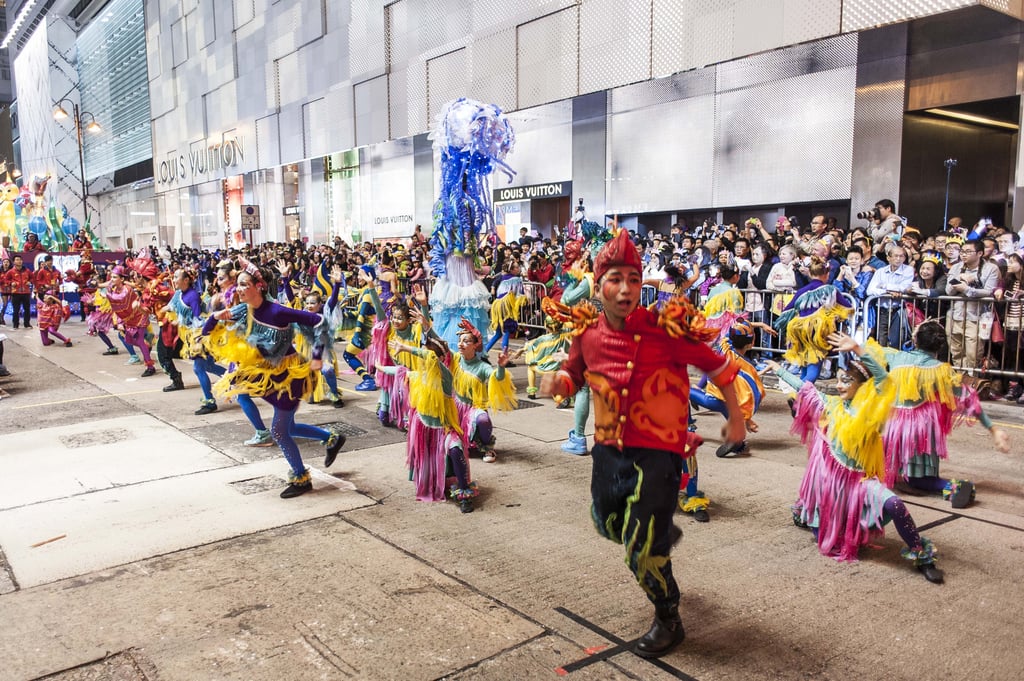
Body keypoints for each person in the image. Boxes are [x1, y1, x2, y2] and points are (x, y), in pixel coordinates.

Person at [542, 230, 745, 659]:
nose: (626, 289)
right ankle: (657, 532)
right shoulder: (588, 333)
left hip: (658, 454)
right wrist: (556, 382)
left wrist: (737, 420)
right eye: (615, 279)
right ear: (598, 286)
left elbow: (720, 367)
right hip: (608, 451)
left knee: (640, 550)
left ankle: (668, 615)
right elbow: (573, 376)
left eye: (634, 279)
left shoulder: (663, 329)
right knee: (605, 522)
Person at [769, 333, 944, 584]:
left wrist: (858, 349)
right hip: (830, 481)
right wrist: (778, 369)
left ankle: (923, 557)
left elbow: (884, 380)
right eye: (839, 380)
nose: (839, 385)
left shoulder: (873, 408)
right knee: (828, 541)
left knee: (895, 505)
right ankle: (807, 514)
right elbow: (804, 387)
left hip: (859, 482)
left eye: (846, 381)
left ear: (861, 386)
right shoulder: (832, 404)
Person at [203, 262, 346, 498]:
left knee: (279, 431)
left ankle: (301, 479)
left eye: (244, 285)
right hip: (268, 376)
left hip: (290, 377)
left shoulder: (277, 311)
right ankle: (331, 438)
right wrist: (216, 316)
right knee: (288, 427)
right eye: (237, 284)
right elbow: (208, 332)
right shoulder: (243, 310)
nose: (238, 289)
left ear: (259, 286)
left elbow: (320, 322)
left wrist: (318, 356)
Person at [881, 320, 1009, 507]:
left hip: (897, 430)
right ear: (940, 346)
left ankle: (946, 485)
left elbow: (871, 352)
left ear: (915, 340)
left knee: (902, 478)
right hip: (921, 430)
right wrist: (993, 429)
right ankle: (950, 486)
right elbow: (969, 399)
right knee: (916, 479)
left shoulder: (896, 358)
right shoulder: (942, 372)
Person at [945, 239, 999, 370]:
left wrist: (967, 289)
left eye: (968, 252)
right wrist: (960, 279)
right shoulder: (956, 267)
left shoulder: (990, 268)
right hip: (954, 315)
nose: (963, 254)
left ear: (980, 253)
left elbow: (989, 291)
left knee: (973, 354)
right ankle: (960, 382)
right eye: (962, 251)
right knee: (956, 352)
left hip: (976, 317)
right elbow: (948, 290)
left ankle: (972, 384)